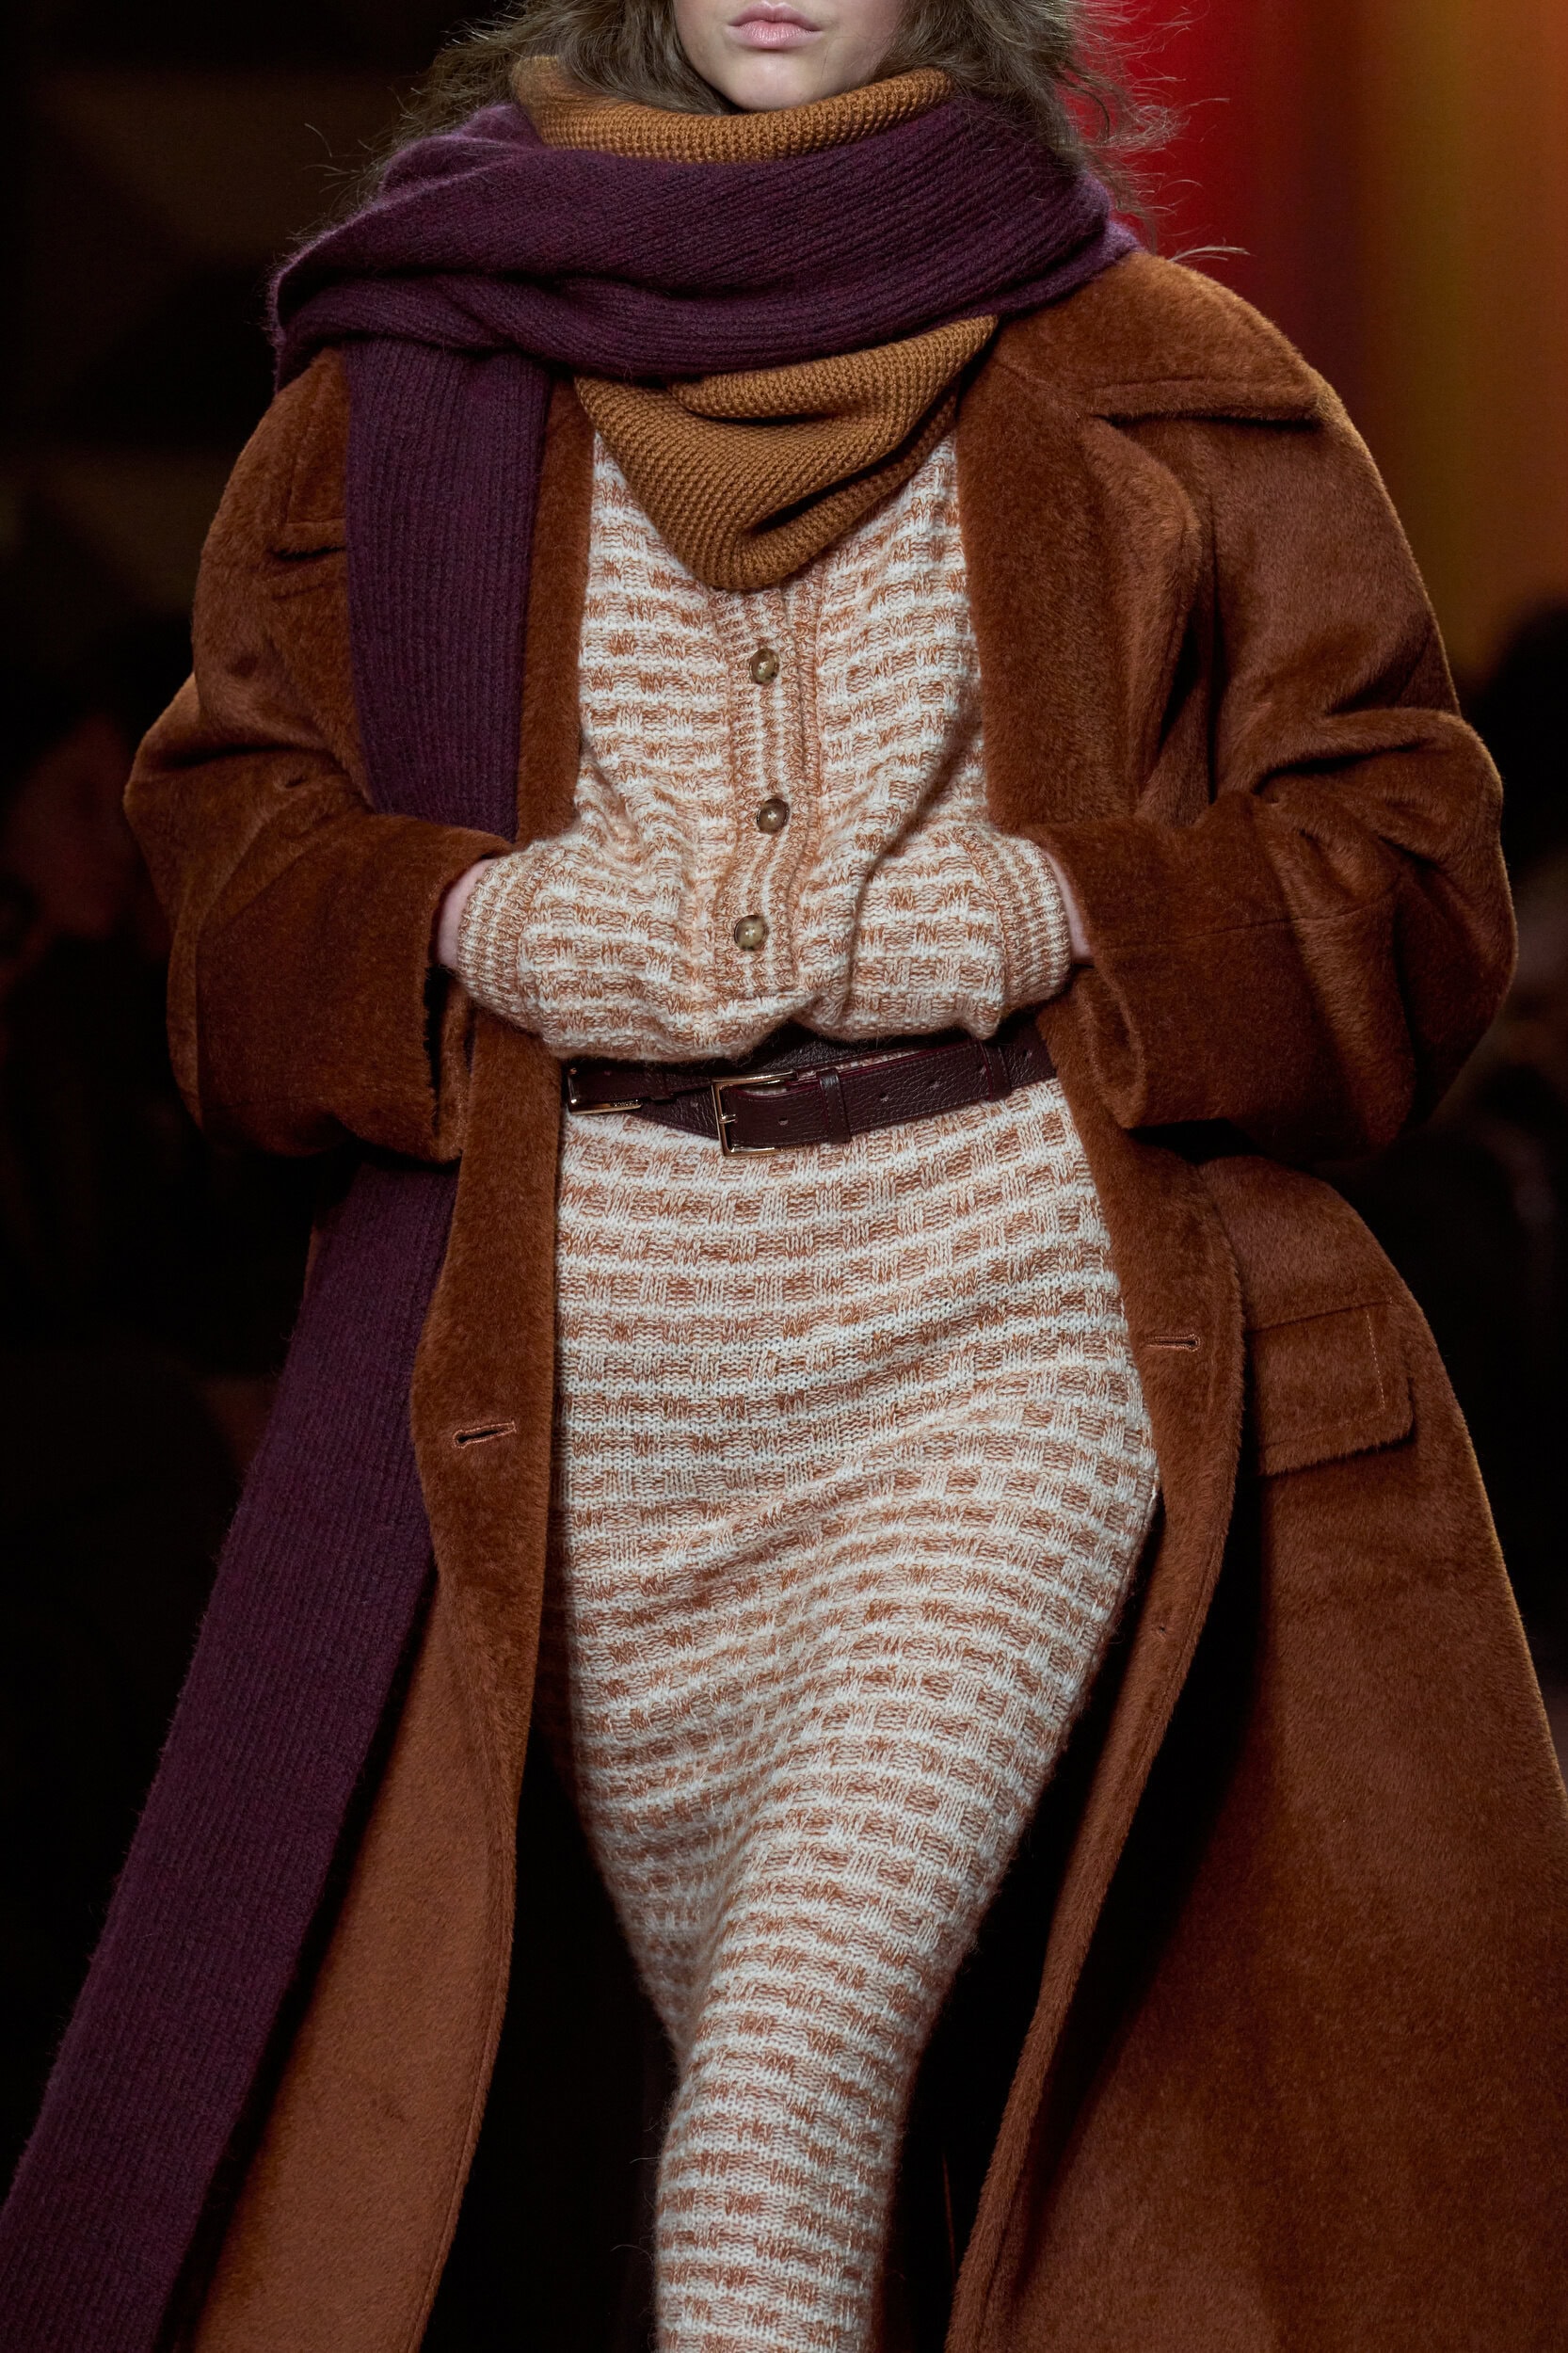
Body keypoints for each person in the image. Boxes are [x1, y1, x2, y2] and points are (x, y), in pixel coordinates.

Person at [3, 3, 1565, 2350]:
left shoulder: (1155, 365)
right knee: (829, 2122)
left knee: (774, 2093)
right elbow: (223, 877)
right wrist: (471, 915)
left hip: (1005, 1299)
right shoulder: (404, 379)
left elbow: (1410, 870)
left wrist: (1053, 911)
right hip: (591, 1359)